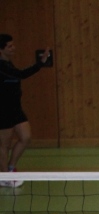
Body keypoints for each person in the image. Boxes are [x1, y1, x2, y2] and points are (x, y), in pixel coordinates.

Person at [0, 35, 51, 187]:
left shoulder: (9, 64)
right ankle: (3, 176)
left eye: (13, 45)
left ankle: (11, 168)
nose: (13, 48)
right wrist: (40, 63)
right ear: (1, 50)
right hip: (3, 111)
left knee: (26, 137)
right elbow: (21, 75)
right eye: (9, 46)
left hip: (16, 108)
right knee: (4, 145)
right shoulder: (1, 66)